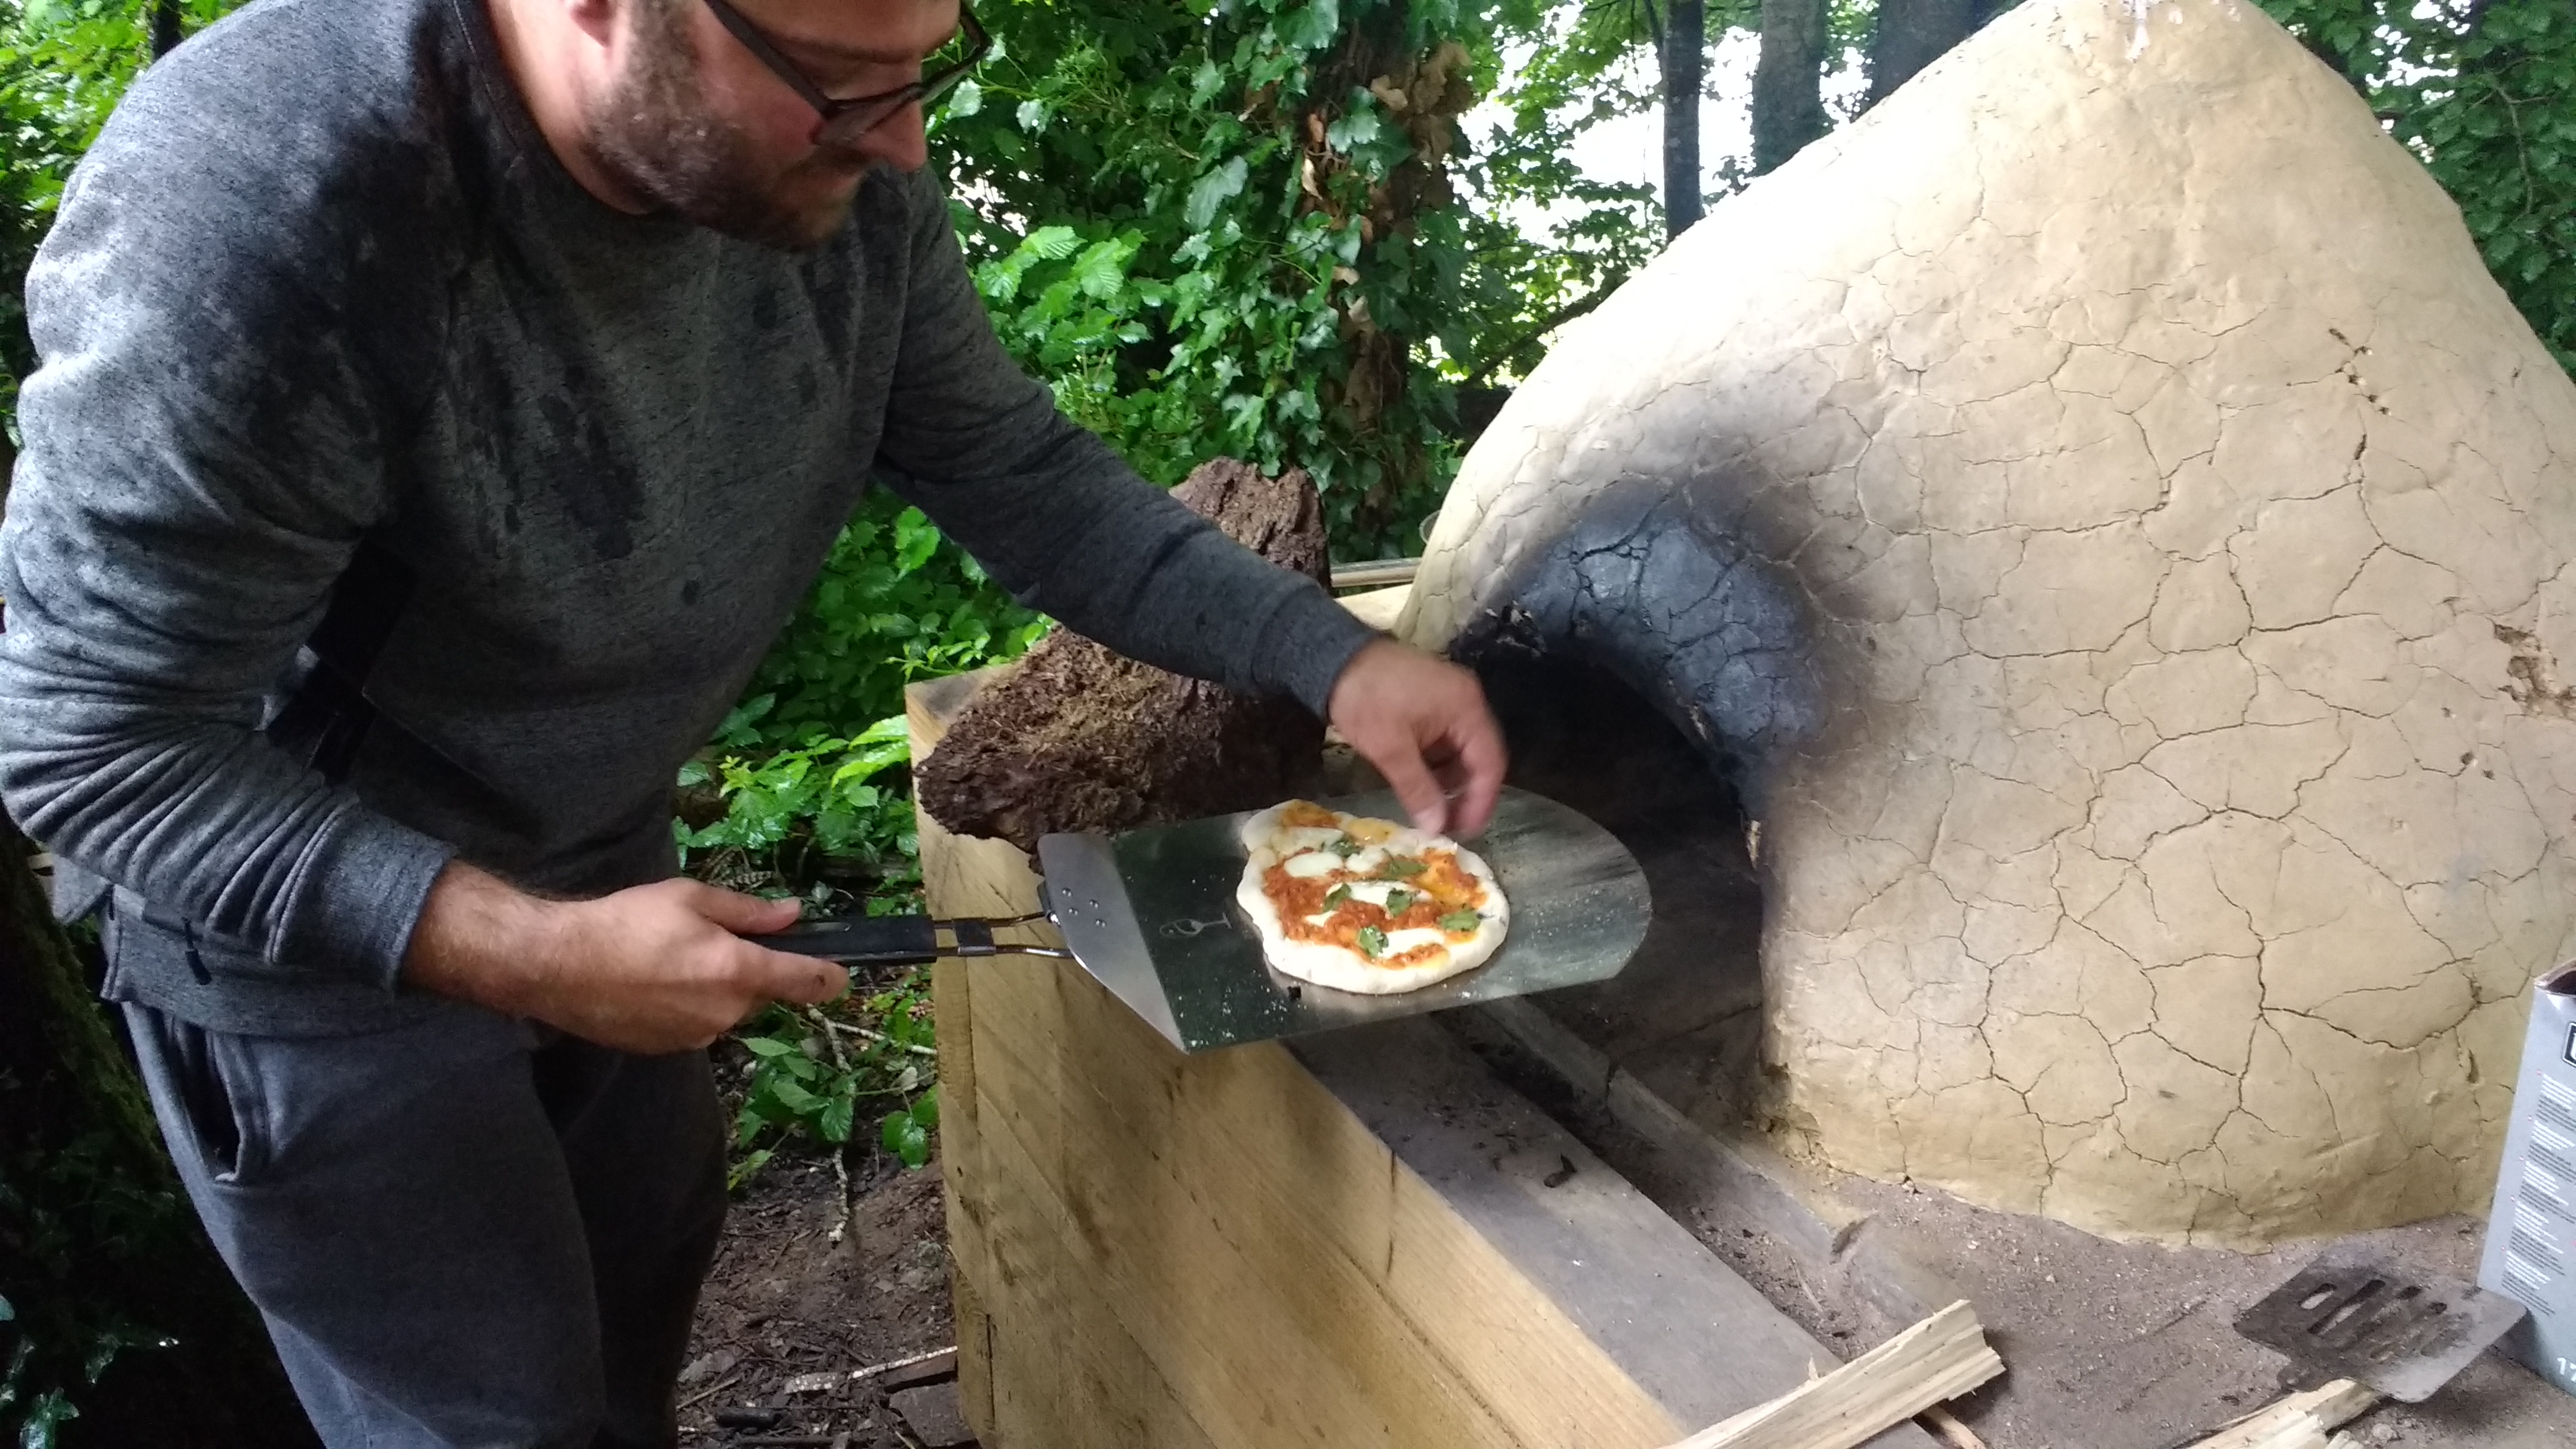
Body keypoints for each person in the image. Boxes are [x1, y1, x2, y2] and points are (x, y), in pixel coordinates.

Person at [0, 0, 1507, 1443]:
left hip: (605, 858)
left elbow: (1016, 474)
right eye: (842, 80)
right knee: (492, 1417)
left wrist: (1329, 660)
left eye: (923, 66)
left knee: (636, 1311)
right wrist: (535, 952)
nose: (902, 144)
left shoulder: (835, 160)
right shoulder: (269, 208)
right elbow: (90, 746)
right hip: (312, 952)